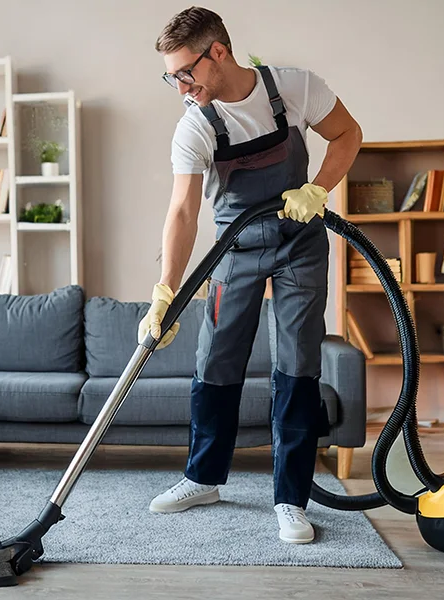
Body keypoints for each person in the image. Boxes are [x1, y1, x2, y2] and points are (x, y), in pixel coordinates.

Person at [141, 6, 362, 544]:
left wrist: (319, 189)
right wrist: (166, 290)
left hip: (300, 244)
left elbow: (348, 134)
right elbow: (183, 212)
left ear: (218, 52)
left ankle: (291, 498)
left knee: (297, 364)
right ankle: (203, 477)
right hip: (235, 250)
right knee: (215, 358)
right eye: (171, 77)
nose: (180, 87)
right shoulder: (195, 125)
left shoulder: (293, 89)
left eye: (185, 73)